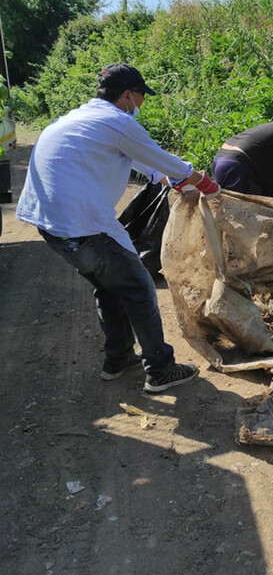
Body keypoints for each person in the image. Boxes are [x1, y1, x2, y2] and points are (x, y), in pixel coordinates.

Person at [17, 63, 220, 393]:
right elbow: (163, 159)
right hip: (81, 225)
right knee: (139, 287)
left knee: (110, 286)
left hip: (51, 226)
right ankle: (160, 370)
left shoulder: (81, 119)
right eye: (140, 96)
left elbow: (143, 161)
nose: (141, 103)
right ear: (127, 95)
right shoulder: (116, 121)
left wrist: (170, 180)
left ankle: (118, 359)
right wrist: (204, 183)